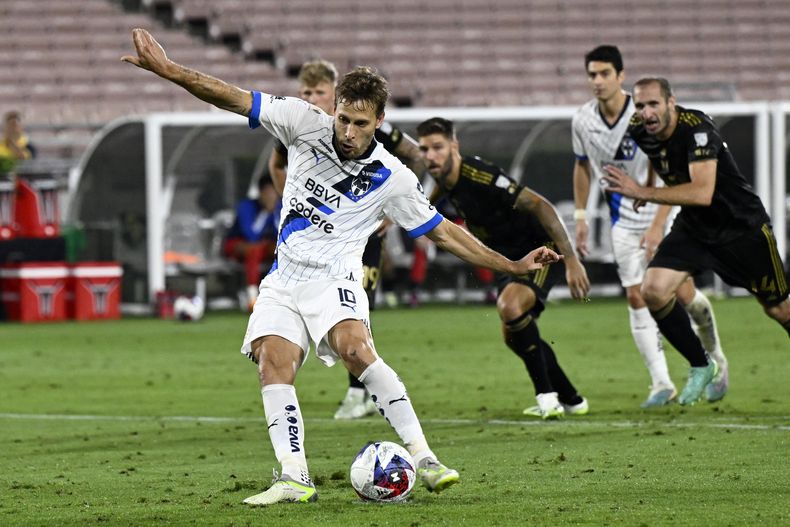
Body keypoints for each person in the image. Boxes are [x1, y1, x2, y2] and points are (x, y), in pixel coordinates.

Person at [122, 28, 561, 505]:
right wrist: (169, 72)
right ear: (334, 109)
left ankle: (425, 457)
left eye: (361, 124)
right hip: (285, 276)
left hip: (335, 276)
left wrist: (510, 264)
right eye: (343, 119)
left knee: (354, 349)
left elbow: (443, 232)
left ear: (380, 121)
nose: (348, 133)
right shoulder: (301, 121)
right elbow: (231, 96)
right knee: (273, 364)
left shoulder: (393, 177)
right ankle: (294, 477)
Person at [603, 77, 790, 405]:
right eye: (641, 105)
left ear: (671, 102)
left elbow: (702, 193)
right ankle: (702, 365)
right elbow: (656, 162)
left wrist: (643, 192)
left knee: (778, 308)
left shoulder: (698, 129)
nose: (646, 113)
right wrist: (649, 194)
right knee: (653, 290)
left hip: (741, 228)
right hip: (695, 228)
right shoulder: (639, 129)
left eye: (653, 104)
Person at [268, 59, 427, 420]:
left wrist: (391, 214)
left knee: (356, 310)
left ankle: (361, 392)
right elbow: (276, 164)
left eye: (318, 92)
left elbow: (415, 156)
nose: (312, 98)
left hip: (361, 240)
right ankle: (362, 389)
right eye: (306, 93)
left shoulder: (372, 132)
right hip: (314, 239)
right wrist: (289, 202)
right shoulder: (304, 130)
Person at [572, 45, 727, 408]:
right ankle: (661, 382)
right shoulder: (582, 120)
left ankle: (715, 357)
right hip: (621, 218)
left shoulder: (643, 114)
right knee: (636, 294)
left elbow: (666, 165)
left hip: (662, 209)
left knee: (680, 293)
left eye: (604, 73)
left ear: (620, 76)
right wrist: (580, 218)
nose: (597, 81)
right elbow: (581, 166)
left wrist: (658, 224)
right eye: (591, 74)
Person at [416, 117, 591, 419]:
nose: (430, 156)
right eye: (424, 149)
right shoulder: (444, 178)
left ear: (454, 146)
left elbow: (540, 205)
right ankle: (572, 399)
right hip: (504, 256)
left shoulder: (481, 175)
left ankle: (547, 399)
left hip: (537, 249)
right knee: (515, 335)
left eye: (438, 148)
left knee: (510, 308)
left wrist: (571, 259)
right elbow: (435, 196)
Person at [223, 175, 282, 309]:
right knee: (253, 250)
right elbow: (251, 235)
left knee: (280, 250)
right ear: (261, 192)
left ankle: (280, 296)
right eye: (268, 192)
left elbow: (280, 233)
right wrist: (266, 212)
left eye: (274, 192)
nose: (271, 196)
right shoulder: (246, 206)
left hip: (262, 245)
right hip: (238, 244)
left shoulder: (280, 206)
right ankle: (252, 297)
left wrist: (274, 214)